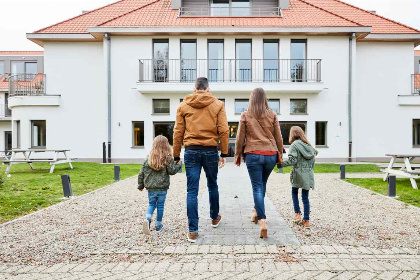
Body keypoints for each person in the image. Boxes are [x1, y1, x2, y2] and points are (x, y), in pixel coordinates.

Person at [173, 77, 229, 243]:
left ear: (194, 89)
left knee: (192, 190)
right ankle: (214, 218)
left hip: (190, 151)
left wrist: (176, 155)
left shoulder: (183, 106)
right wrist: (224, 153)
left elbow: (177, 132)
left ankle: (193, 231)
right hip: (211, 151)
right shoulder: (218, 105)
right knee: (212, 185)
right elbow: (224, 131)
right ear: (208, 89)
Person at [234, 88, 284, 239]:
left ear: (251, 99)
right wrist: (280, 153)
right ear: (265, 99)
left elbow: (239, 138)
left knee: (257, 187)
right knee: (262, 184)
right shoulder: (272, 114)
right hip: (270, 154)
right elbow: (279, 137)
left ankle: (263, 221)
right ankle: (256, 212)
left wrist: (237, 154)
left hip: (253, 154)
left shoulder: (245, 114)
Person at [138, 135, 181, 235]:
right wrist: (178, 165)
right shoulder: (167, 159)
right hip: (162, 187)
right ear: (166, 146)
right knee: (160, 206)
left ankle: (147, 218)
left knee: (151, 204)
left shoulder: (148, 159)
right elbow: (172, 171)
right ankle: (158, 225)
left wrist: (140, 186)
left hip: (151, 188)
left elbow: (141, 174)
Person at [279, 126, 317, 228]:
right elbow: (313, 163)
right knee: (305, 197)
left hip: (298, 174)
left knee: (294, 193)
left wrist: (280, 164)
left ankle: (297, 214)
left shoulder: (294, 145)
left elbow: (293, 161)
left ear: (292, 134)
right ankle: (306, 220)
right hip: (308, 175)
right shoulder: (309, 147)